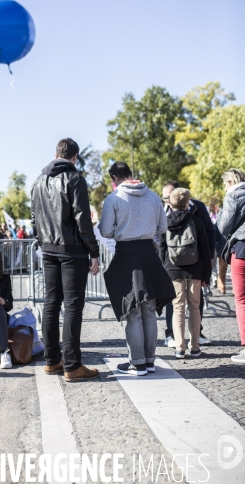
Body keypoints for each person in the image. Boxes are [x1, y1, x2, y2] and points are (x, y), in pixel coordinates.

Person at [31, 137, 100, 382]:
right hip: (72, 251)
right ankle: (72, 365)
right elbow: (83, 219)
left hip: (48, 250)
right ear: (74, 157)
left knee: (51, 304)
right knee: (72, 307)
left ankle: (52, 361)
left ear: (55, 153)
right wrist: (94, 251)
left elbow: (34, 218)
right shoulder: (75, 179)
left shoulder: (38, 181)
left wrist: (42, 243)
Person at [99, 161, 175, 376]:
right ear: (131, 174)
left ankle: (137, 363)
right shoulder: (152, 196)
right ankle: (149, 361)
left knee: (132, 310)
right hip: (149, 254)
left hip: (127, 255)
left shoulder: (113, 198)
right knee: (149, 310)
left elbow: (105, 230)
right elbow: (162, 227)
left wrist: (123, 229)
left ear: (114, 178)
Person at [161, 180, 215, 347]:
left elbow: (160, 246)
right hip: (190, 268)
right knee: (189, 305)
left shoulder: (169, 219)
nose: (166, 200)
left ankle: (184, 344)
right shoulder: (164, 213)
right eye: (164, 198)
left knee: (183, 306)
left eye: (168, 197)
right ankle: (188, 343)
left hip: (182, 268)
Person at [217, 168, 245, 364]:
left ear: (229, 182)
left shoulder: (232, 195)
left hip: (242, 248)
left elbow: (224, 227)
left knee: (242, 300)